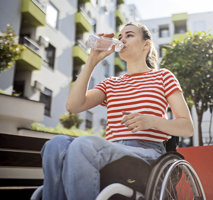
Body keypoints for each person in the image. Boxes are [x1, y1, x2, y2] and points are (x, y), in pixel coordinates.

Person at [39, 22, 194, 200]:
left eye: (129, 35)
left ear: (146, 44)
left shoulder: (162, 76)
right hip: (111, 149)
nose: (122, 40)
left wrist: (151, 121)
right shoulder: (111, 83)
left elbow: (187, 127)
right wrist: (92, 60)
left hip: (147, 152)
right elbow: (73, 106)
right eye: (120, 37)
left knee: (84, 145)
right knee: (55, 145)